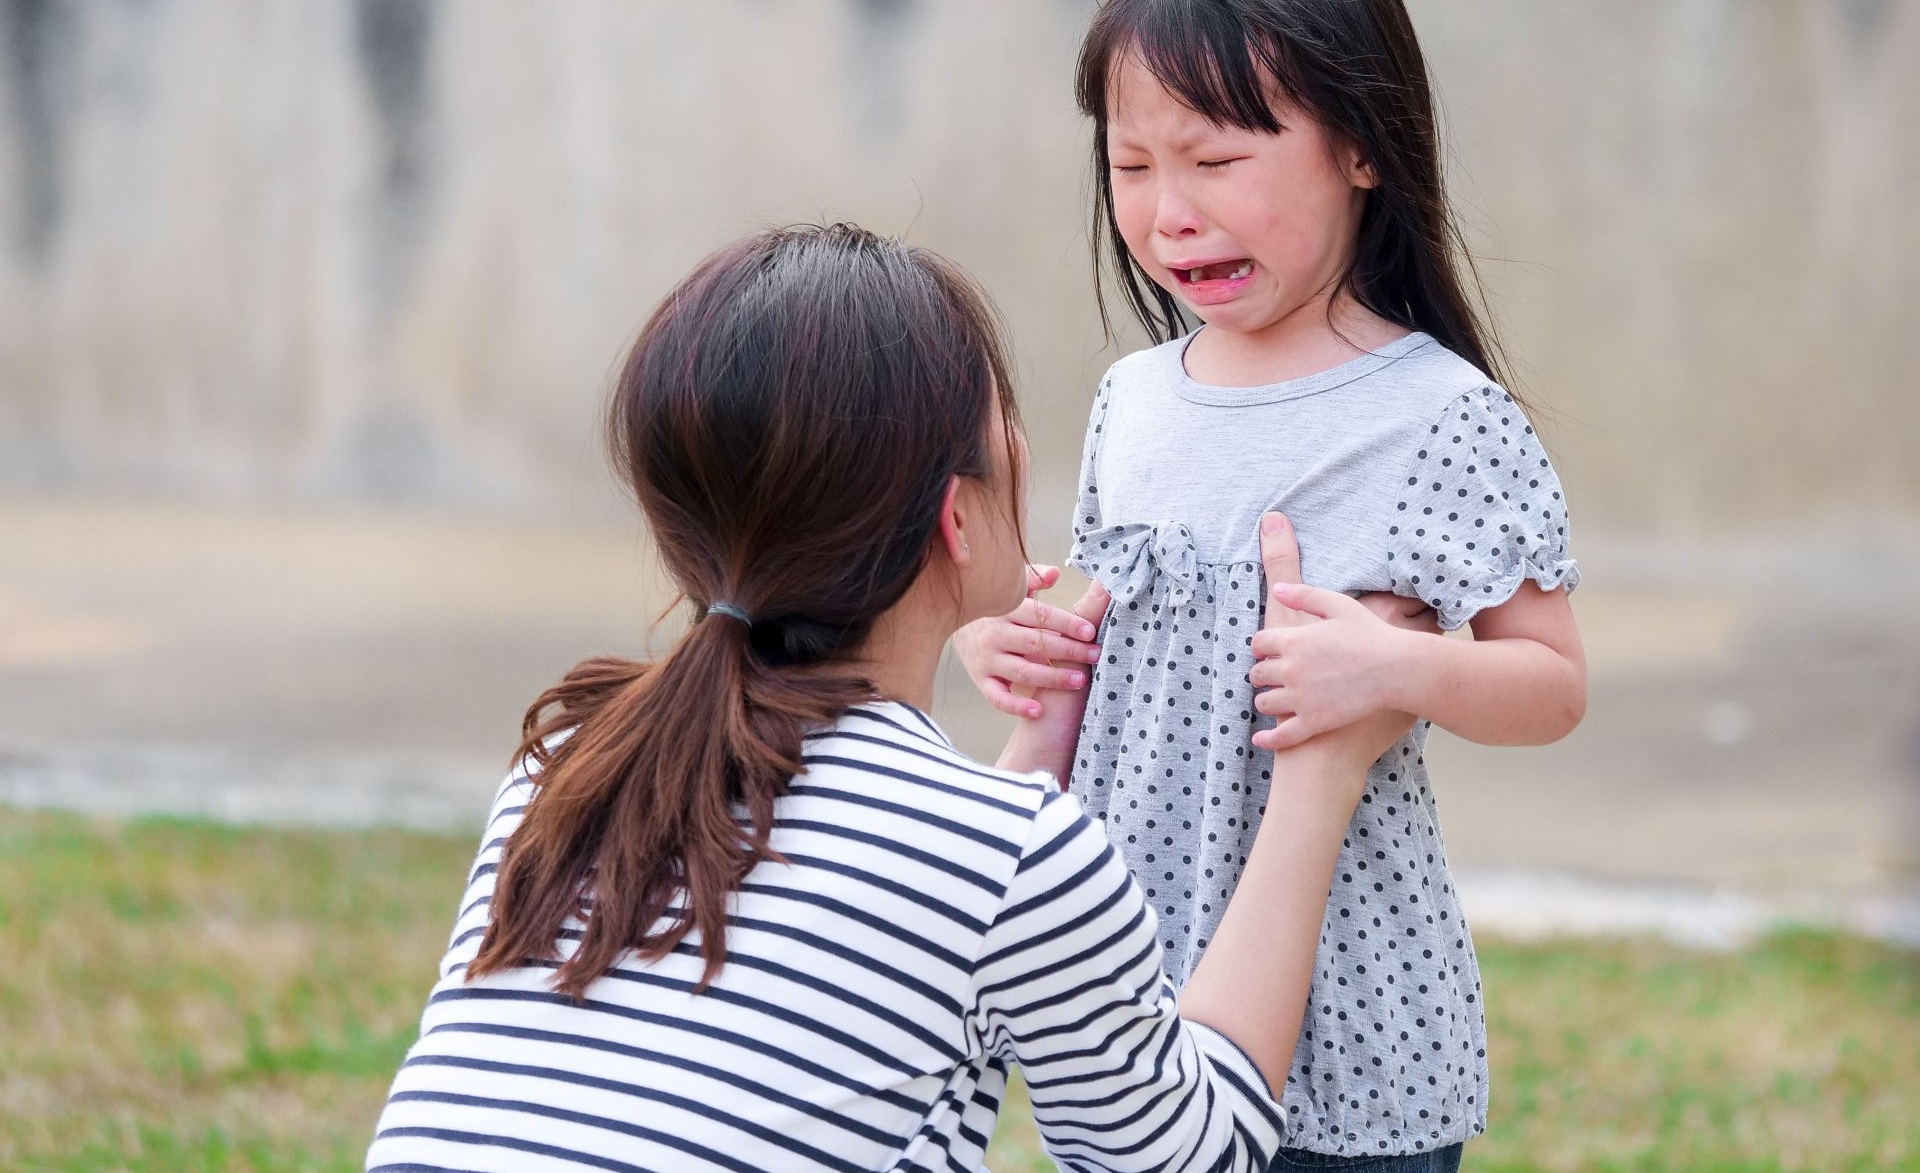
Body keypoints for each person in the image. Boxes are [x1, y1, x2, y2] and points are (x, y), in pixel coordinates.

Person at [366, 223, 1417, 1173]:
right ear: (956, 520)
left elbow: (905, 903)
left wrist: (1042, 737)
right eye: (1006, 419)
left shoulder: (567, 771)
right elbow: (1188, 1157)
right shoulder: (1012, 859)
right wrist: (1322, 766)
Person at [953, 0, 1588, 1170]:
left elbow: (1553, 683)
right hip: (1130, 1003)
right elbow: (1090, 620)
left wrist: (1399, 668)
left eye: (1218, 160)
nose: (1169, 212)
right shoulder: (1137, 399)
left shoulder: (1436, 415)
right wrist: (1015, 645)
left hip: (1347, 1025)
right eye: (1134, 168)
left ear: (1361, 146)